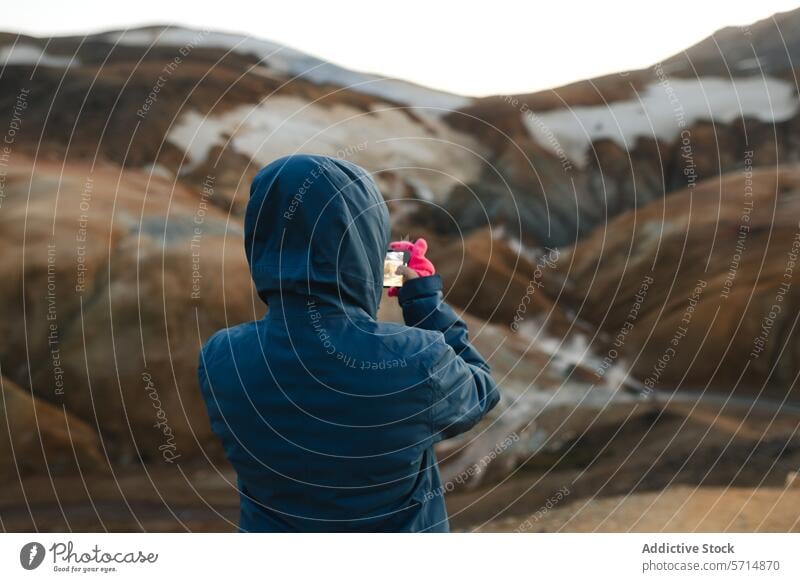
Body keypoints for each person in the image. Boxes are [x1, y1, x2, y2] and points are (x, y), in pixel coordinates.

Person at [198, 154, 500, 532]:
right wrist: (422, 299)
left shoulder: (221, 358)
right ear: (365, 243)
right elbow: (481, 390)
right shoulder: (416, 359)